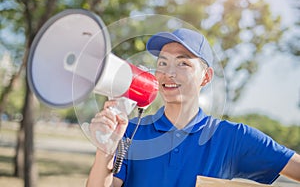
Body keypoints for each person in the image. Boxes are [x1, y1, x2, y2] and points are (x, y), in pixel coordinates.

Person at [86, 28, 300, 187]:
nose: (169, 73)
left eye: (183, 63)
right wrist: (105, 152)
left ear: (205, 77)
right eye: (162, 63)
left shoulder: (233, 138)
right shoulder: (131, 131)